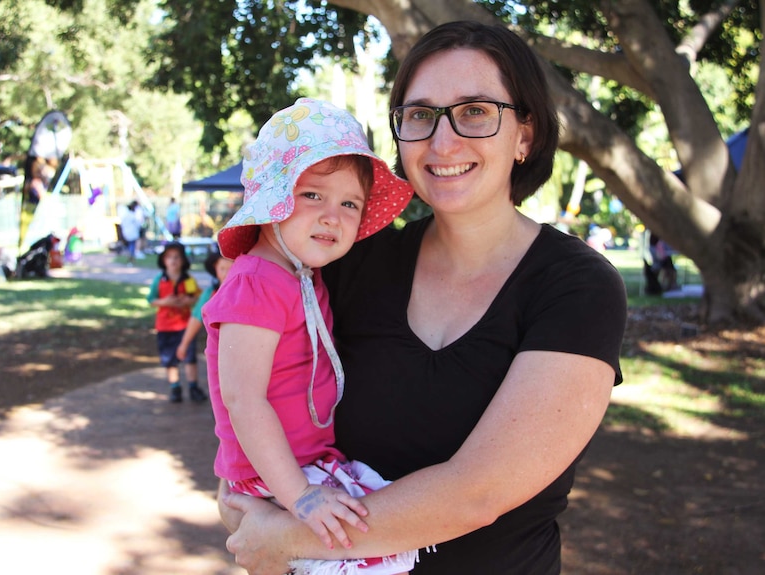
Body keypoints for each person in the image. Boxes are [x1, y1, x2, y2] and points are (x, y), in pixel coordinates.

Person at [219, 22, 628, 574]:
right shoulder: (347, 263)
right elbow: (252, 407)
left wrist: (289, 536)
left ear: (526, 135)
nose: (443, 140)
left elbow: (476, 493)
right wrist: (249, 515)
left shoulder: (577, 287)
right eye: (420, 115)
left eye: (475, 111)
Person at [204, 98, 416, 574]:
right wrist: (300, 497)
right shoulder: (257, 281)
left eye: (349, 204)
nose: (332, 216)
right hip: (279, 478)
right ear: (273, 197)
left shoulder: (301, 274)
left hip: (306, 465)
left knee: (385, 537)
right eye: (313, 196)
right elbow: (243, 399)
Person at [146, 241, 203, 403]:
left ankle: (193, 386)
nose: (173, 261)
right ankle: (175, 387)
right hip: (165, 326)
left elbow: (196, 296)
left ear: (183, 260)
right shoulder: (160, 279)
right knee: (170, 359)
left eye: (177, 257)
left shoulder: (188, 280)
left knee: (190, 357)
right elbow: (151, 300)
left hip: (185, 325)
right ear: (164, 260)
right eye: (169, 257)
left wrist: (187, 300)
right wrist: (165, 302)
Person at [175, 248, 232, 367]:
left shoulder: (245, 293)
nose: (226, 274)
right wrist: (184, 344)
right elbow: (196, 318)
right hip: (218, 349)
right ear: (215, 269)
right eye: (222, 269)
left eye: (231, 269)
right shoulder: (210, 294)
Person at [119, 200, 143, 264]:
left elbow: (122, 224)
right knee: (132, 246)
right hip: (132, 233)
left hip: (126, 233)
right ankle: (131, 258)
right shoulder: (132, 216)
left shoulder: (126, 215)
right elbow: (138, 224)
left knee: (130, 246)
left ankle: (131, 258)